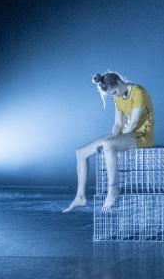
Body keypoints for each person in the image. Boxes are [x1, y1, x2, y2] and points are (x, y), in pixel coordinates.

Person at [64, 72, 155, 213]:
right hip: (127, 133)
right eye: (112, 94)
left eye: (114, 92)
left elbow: (134, 124)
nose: (115, 96)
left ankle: (113, 191)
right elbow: (119, 124)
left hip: (142, 135)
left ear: (119, 82)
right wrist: (112, 140)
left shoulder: (138, 92)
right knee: (81, 153)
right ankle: (80, 196)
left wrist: (111, 143)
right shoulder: (117, 97)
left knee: (108, 145)